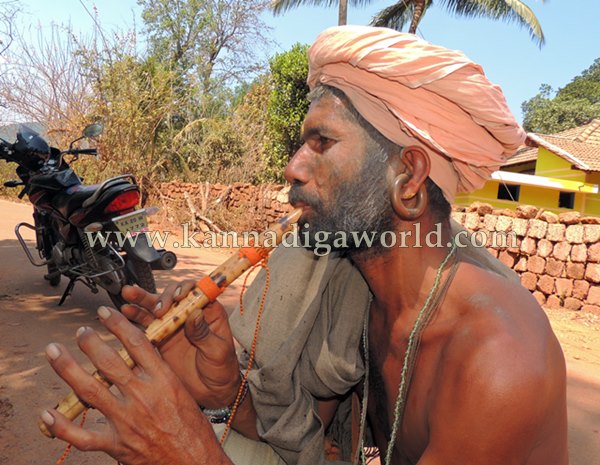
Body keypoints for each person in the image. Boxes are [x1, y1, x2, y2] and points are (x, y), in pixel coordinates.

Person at [40, 26, 568, 465]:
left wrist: (189, 454)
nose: (293, 167)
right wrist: (223, 388)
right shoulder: (361, 293)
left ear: (407, 179)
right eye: (300, 144)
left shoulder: (497, 361)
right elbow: (307, 441)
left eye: (322, 143)